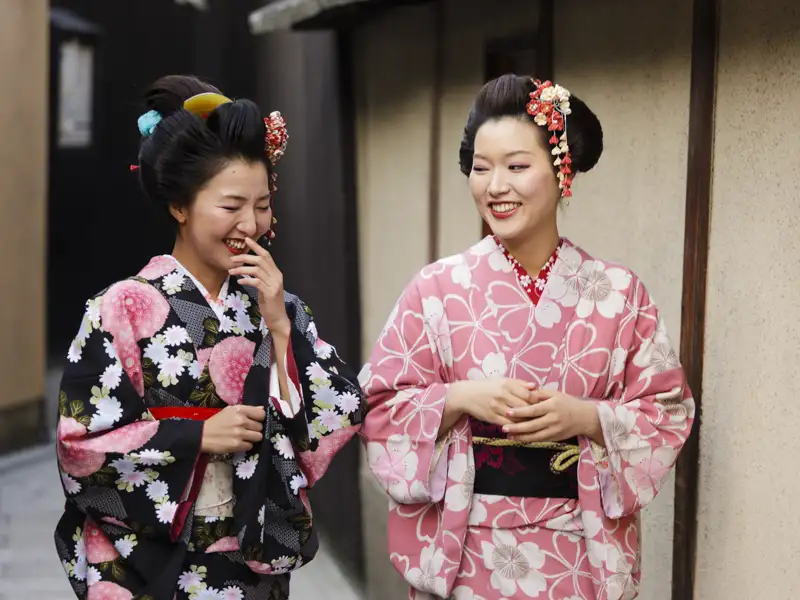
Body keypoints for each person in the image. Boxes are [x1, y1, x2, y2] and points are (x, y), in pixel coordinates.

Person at [359, 74, 695, 600]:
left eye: (517, 167)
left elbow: (668, 410)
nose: (496, 186)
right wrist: (460, 398)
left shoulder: (619, 293)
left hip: (579, 552)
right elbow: (378, 406)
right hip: (465, 549)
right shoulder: (436, 289)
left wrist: (586, 416)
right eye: (481, 168)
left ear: (563, 172)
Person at [53, 75, 366, 600]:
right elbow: (78, 445)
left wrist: (280, 327)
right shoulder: (120, 307)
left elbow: (338, 414)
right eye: (231, 206)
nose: (251, 223)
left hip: (249, 564)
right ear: (180, 205)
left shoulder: (281, 308)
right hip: (148, 566)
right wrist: (196, 436)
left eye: (262, 205)